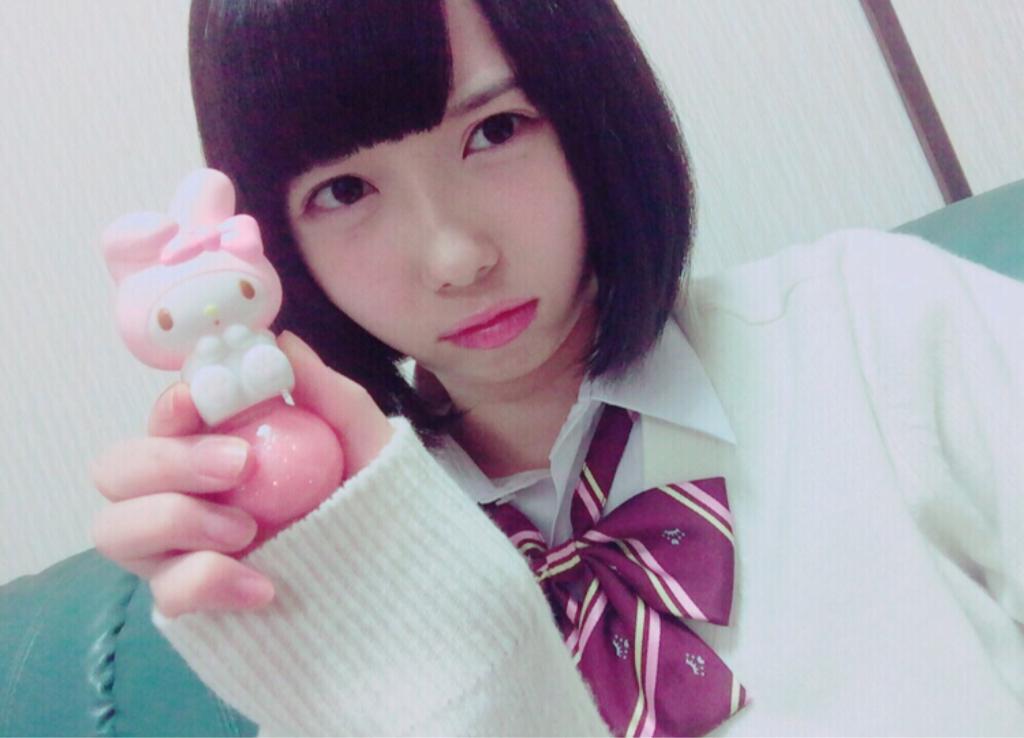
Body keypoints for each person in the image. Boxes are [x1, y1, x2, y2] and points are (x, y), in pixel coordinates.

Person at [89, 0, 1024, 735]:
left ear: (591, 109)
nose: (455, 256)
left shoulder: (880, 327)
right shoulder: (343, 558)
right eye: (344, 190)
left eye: (495, 131)